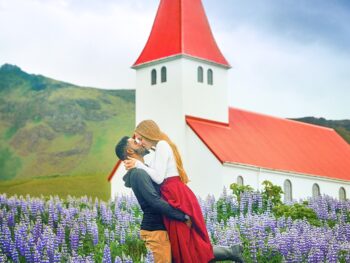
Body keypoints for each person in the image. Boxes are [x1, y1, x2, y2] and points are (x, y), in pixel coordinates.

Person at [124, 120, 244, 263]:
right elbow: (154, 175)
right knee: (186, 244)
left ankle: (230, 252)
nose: (141, 142)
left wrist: (138, 164)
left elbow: (157, 177)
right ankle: (231, 252)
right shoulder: (159, 149)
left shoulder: (162, 145)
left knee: (187, 243)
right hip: (172, 195)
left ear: (148, 134)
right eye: (137, 140)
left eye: (140, 138)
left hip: (175, 195)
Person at [115, 136, 191, 263]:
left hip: (161, 229)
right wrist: (183, 216)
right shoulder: (139, 173)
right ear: (130, 151)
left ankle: (232, 252)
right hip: (155, 232)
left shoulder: (144, 169)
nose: (139, 142)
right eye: (135, 142)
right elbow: (154, 201)